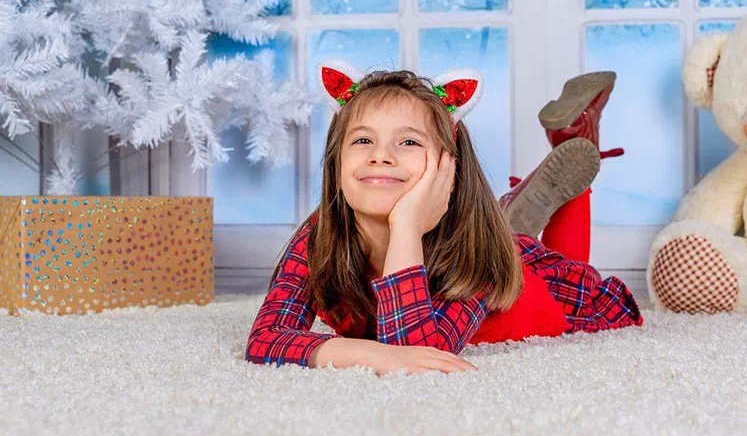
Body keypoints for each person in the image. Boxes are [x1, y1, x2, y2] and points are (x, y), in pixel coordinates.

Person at [245, 62, 641, 374]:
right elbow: (266, 338)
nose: (380, 155)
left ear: (450, 169)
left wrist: (406, 228)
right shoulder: (321, 234)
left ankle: (575, 147)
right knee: (507, 230)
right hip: (486, 233)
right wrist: (373, 355)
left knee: (569, 272)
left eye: (408, 142)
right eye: (363, 140)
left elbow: (418, 354)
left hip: (539, 292)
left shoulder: (476, 252)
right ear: (336, 162)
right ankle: (513, 208)